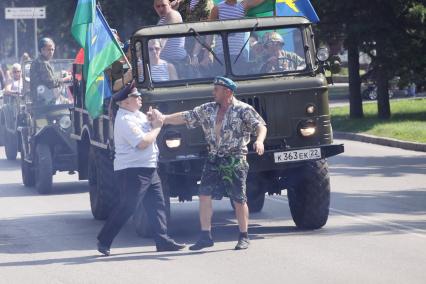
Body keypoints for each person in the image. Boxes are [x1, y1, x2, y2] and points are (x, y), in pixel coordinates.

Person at [154, 76, 267, 250]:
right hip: (213, 158)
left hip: (234, 158)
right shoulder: (209, 109)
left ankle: (243, 235)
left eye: (216, 89)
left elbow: (260, 125)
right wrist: (164, 118)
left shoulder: (243, 110)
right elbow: (187, 116)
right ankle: (205, 236)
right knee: (204, 195)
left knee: (238, 198)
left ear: (227, 92)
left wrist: (259, 140)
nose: (213, 92)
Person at [97, 82, 186, 256]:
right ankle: (104, 239)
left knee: (157, 205)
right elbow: (143, 143)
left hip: (148, 167)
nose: (139, 98)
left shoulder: (137, 115)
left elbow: (151, 126)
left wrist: (154, 120)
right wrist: (158, 127)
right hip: (132, 170)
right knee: (128, 206)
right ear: (124, 102)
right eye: (135, 96)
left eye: (138, 95)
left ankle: (162, 240)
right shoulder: (124, 120)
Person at [30, 37, 72, 104]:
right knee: (71, 105)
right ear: (42, 50)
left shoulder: (39, 61)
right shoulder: (43, 62)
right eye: (49, 50)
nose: (51, 52)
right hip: (44, 100)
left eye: (52, 49)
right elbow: (51, 83)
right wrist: (65, 79)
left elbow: (48, 77)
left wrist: (61, 74)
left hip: (44, 97)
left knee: (69, 102)